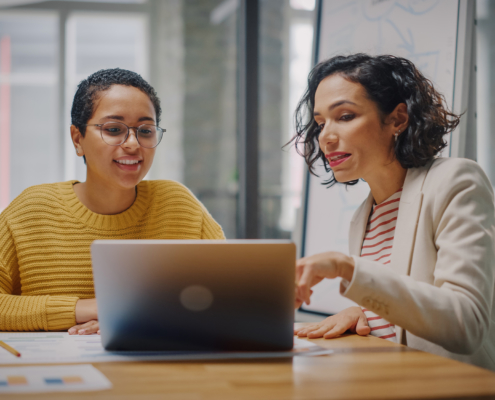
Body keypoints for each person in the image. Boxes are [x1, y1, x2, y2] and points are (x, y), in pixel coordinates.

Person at [291, 54, 495, 370]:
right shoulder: (363, 217)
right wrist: (366, 313)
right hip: (390, 379)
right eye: (320, 123)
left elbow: (465, 324)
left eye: (344, 116)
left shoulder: (457, 181)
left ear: (398, 119)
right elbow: (402, 315)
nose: (326, 137)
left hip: (454, 386)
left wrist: (348, 269)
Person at [0, 68, 225, 335]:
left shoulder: (180, 206)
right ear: (77, 138)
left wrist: (139, 317)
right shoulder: (31, 210)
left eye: (146, 130)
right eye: (114, 129)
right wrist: (96, 308)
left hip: (158, 367)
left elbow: (229, 296)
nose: (132, 144)